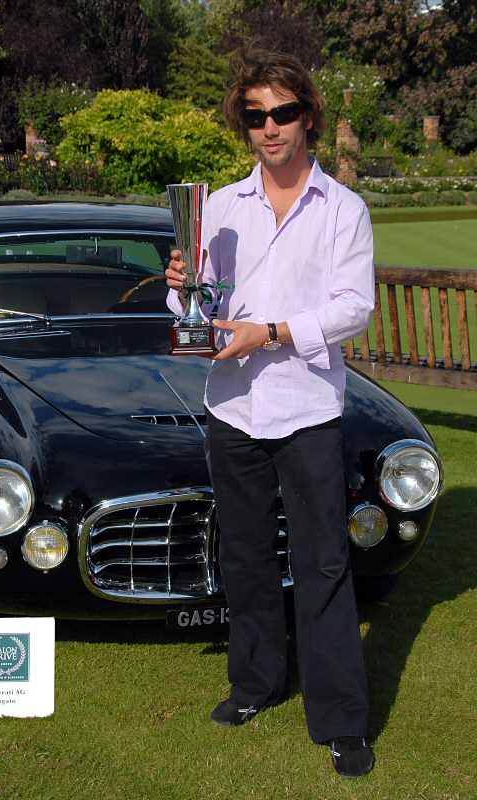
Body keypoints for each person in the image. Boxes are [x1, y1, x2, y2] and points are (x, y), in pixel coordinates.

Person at [165, 44, 375, 779]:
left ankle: (343, 718)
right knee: (246, 556)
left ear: (308, 117)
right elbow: (199, 311)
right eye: (256, 116)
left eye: (283, 112)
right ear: (245, 125)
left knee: (322, 563)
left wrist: (276, 332)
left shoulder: (343, 208)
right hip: (233, 408)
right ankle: (255, 684)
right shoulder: (219, 207)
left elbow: (355, 308)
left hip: (308, 407)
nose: (270, 127)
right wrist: (184, 287)